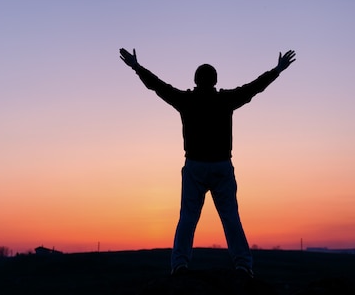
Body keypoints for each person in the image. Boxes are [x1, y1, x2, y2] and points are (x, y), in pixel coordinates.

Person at [119, 48, 296, 277]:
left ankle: (179, 264)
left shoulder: (186, 100)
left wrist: (136, 67)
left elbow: (158, 86)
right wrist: (277, 70)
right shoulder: (225, 100)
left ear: (195, 80)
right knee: (230, 217)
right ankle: (243, 265)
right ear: (215, 81)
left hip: (195, 167)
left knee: (188, 218)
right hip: (221, 166)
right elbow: (255, 87)